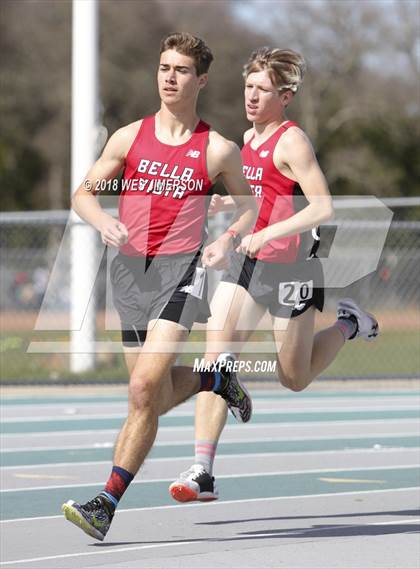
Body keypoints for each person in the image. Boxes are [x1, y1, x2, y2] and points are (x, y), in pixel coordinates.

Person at [62, 32, 258, 541]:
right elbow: (83, 193)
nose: (170, 77)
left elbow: (249, 205)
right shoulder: (128, 137)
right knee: (147, 398)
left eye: (182, 70)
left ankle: (105, 502)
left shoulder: (218, 149)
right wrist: (101, 221)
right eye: (165, 68)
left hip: (180, 272)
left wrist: (229, 240)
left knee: (143, 387)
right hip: (129, 274)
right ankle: (216, 380)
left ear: (202, 80)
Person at [169, 47, 379, 503]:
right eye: (248, 86)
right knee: (215, 358)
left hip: (293, 269)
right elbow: (261, 197)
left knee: (293, 378)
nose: (251, 96)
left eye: (262, 89)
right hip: (250, 266)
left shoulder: (292, 140)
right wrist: (231, 210)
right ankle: (202, 469)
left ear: (285, 96)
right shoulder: (248, 138)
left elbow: (322, 207)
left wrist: (270, 235)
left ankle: (348, 323)